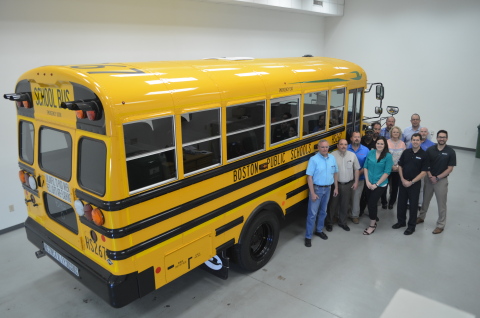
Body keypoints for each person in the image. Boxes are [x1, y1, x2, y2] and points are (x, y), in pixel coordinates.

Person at [417, 130, 456, 234]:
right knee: (425, 200)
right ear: (437, 138)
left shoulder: (450, 152)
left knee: (441, 203)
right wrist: (430, 176)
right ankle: (421, 217)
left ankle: (441, 225)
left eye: (443, 137)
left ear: (446, 138)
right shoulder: (430, 150)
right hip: (429, 179)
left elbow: (450, 168)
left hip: (441, 181)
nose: (441, 139)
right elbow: (426, 164)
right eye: (440, 137)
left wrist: (437, 177)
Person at [392, 133, 428, 235]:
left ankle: (411, 226)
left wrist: (411, 182)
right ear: (411, 141)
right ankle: (401, 222)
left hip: (414, 183)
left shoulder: (424, 155)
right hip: (403, 181)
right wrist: (403, 179)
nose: (415, 142)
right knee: (401, 203)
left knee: (413, 205)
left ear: (421, 141)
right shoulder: (406, 152)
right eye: (414, 140)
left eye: (417, 140)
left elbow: (424, 172)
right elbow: (400, 166)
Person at [305, 140, 338, 247]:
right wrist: (312, 193)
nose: (325, 149)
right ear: (318, 148)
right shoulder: (313, 160)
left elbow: (335, 173)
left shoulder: (332, 158)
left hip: (328, 188)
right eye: (322, 147)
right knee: (312, 214)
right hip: (317, 189)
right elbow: (309, 177)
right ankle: (308, 236)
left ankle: (319, 230)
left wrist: (336, 187)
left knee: (323, 212)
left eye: (326, 147)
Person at [325, 139, 359, 232]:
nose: (343, 146)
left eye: (345, 144)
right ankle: (329, 223)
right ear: (337, 145)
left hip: (348, 184)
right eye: (341, 144)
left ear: (347, 145)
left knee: (345, 204)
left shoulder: (352, 155)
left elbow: (356, 169)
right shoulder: (332, 156)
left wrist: (356, 182)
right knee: (332, 205)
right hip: (335, 185)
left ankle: (343, 222)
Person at [363, 136, 393, 235]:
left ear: (385, 145)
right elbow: (366, 167)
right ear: (375, 144)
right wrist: (367, 181)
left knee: (372, 203)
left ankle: (372, 225)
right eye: (378, 143)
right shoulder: (371, 152)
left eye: (382, 144)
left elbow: (387, 172)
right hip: (369, 182)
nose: (379, 145)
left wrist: (376, 184)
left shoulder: (388, 156)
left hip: (380, 184)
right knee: (369, 202)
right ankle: (373, 218)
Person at [408, 127, 435, 209]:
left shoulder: (432, 145)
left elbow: (431, 159)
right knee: (410, 185)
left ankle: (419, 203)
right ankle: (409, 202)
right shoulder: (412, 143)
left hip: (423, 170)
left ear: (427, 133)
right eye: (421, 131)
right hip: (412, 168)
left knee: (421, 187)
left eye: (425, 132)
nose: (423, 133)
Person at [381, 126, 406, 209]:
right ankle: (384, 202)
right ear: (391, 133)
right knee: (384, 186)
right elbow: (384, 155)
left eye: (397, 132)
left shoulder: (402, 143)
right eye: (394, 132)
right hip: (387, 168)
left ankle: (392, 202)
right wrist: (391, 165)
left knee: (395, 187)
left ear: (399, 134)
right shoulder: (386, 142)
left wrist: (398, 166)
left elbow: (404, 157)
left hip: (398, 169)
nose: (395, 133)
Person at [347, 131, 369, 224]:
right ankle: (341, 215)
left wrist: (357, 174)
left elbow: (366, 165)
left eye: (358, 137)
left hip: (360, 178)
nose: (357, 139)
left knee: (356, 198)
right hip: (346, 179)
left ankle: (354, 215)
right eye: (355, 137)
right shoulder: (346, 148)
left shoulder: (366, 150)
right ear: (351, 138)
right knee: (345, 198)